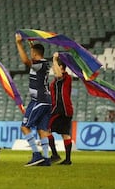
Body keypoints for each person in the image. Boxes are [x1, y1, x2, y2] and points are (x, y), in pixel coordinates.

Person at [15, 33, 52, 166]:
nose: (30, 54)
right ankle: (46, 159)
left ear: (35, 54)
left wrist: (19, 44)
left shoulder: (40, 64)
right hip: (46, 101)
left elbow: (26, 61)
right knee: (42, 130)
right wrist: (31, 44)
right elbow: (33, 56)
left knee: (25, 127)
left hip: (39, 100)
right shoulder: (44, 63)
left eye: (32, 53)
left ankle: (36, 155)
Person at [48, 52, 74, 165]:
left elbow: (58, 75)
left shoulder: (64, 78)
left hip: (61, 109)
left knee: (44, 128)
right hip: (65, 110)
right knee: (65, 134)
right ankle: (67, 160)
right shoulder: (55, 82)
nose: (53, 69)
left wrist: (54, 59)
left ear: (62, 68)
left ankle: (55, 154)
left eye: (56, 66)